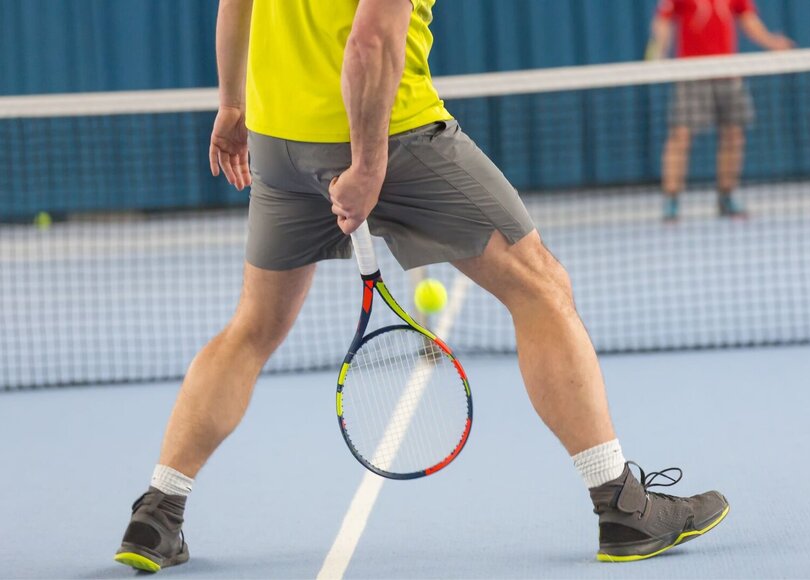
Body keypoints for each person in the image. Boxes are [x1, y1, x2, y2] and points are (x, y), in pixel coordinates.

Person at [114, 0, 729, 571]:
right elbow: (371, 42)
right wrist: (368, 165)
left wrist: (231, 104)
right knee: (541, 286)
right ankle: (622, 507)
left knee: (252, 328)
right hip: (392, 134)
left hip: (278, 141)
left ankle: (158, 512)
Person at [649, 0, 793, 221]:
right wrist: (659, 49)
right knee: (680, 135)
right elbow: (663, 20)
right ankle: (671, 199)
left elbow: (748, 19)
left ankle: (726, 196)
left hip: (728, 71)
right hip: (691, 73)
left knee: (734, 134)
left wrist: (772, 42)